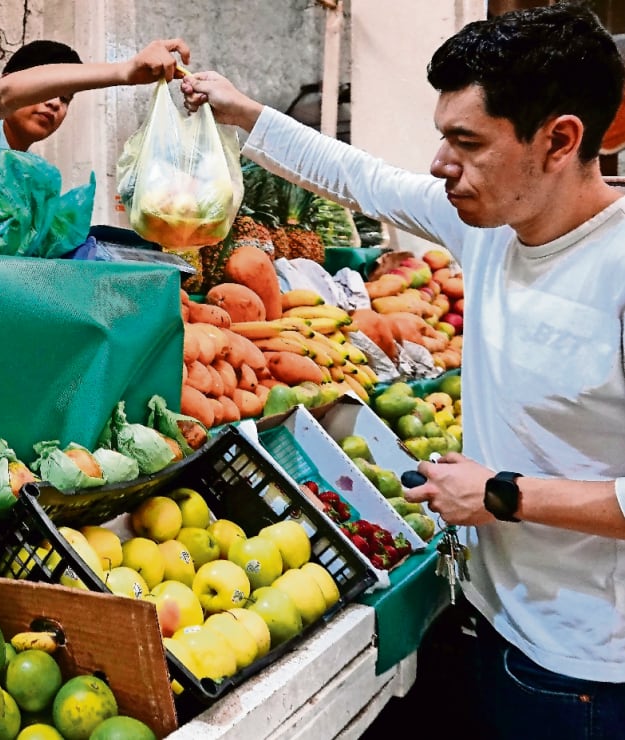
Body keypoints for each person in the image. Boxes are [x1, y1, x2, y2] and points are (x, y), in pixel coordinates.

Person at [181, 4, 625, 737]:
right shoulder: (491, 226)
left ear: (559, 141)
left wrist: (501, 494)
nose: (439, 163)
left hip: (578, 670)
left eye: (466, 141)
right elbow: (358, 176)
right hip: (480, 616)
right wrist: (240, 112)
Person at [0, 38, 190, 152]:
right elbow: (4, 95)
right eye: (50, 92)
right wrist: (125, 71)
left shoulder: (30, 176)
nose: (54, 103)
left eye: (65, 99)